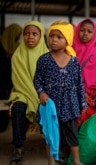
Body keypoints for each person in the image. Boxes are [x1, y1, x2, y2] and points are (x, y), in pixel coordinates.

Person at [34, 20, 86, 165]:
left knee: (72, 135)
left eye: (59, 37)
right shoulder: (43, 60)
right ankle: (52, 161)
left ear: (68, 40)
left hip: (70, 104)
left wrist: (82, 102)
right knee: (50, 134)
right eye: (51, 36)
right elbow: (37, 79)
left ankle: (76, 161)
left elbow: (79, 83)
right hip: (51, 103)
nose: (54, 40)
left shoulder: (74, 61)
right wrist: (41, 93)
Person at [5, 20, 48, 165]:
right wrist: (31, 95)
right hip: (22, 91)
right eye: (26, 33)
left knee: (51, 109)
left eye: (34, 34)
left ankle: (54, 146)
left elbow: (49, 80)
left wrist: (41, 94)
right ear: (22, 36)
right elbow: (18, 80)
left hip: (43, 93)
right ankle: (18, 148)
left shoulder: (47, 56)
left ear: (41, 36)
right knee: (18, 108)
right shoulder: (18, 55)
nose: (30, 37)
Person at [0, 23, 22, 100]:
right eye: (17, 36)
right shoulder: (1, 47)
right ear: (12, 34)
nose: (18, 38)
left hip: (13, 84)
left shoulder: (18, 47)